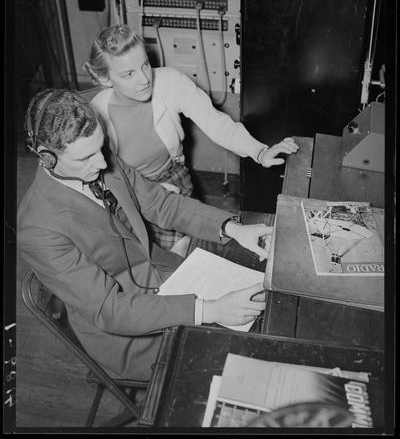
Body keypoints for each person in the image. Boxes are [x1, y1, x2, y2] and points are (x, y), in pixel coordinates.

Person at [17, 89, 272, 381]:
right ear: (46, 158)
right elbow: (111, 310)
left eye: (101, 148)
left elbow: (160, 203)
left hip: (165, 277)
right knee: (244, 364)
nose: (102, 164)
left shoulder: (100, 159)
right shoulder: (38, 229)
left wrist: (233, 228)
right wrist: (210, 310)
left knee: (262, 316)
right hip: (130, 336)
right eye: (86, 157)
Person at [83, 24, 298, 251]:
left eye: (145, 64)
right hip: (126, 190)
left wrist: (260, 151)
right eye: (128, 74)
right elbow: (100, 178)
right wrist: (149, 192)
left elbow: (215, 122)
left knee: (182, 250)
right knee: (143, 256)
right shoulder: (95, 115)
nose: (144, 79)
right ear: (104, 78)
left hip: (173, 176)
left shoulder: (169, 81)